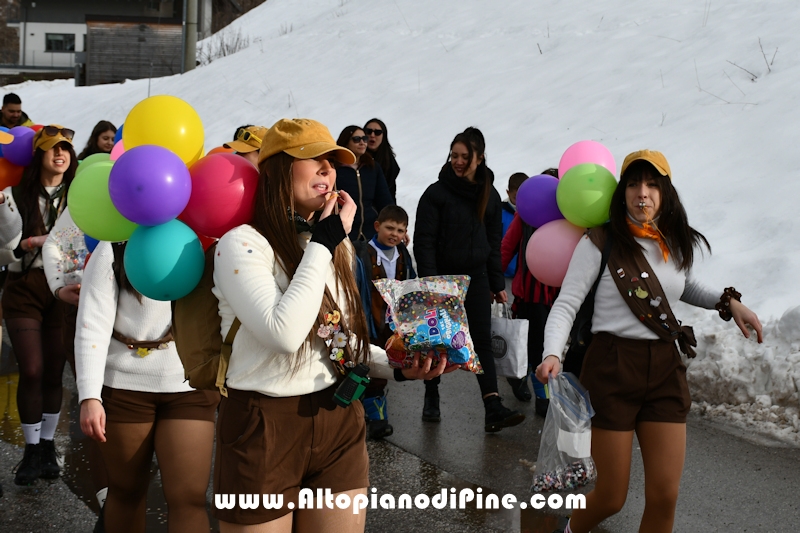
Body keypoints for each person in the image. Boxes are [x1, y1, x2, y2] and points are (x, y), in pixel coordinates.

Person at [211, 118, 455, 531]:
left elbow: (337, 337)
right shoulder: (243, 243)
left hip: (338, 417)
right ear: (277, 170)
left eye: (331, 160)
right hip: (264, 424)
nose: (327, 168)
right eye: (312, 158)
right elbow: (284, 334)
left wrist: (397, 366)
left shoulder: (332, 246)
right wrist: (325, 243)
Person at [536, 150, 763, 533]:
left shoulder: (670, 240)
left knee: (664, 495)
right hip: (613, 367)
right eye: (634, 184)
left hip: (664, 368)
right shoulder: (600, 242)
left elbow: (682, 285)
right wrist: (552, 353)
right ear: (622, 191)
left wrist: (729, 302)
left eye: (653, 185)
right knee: (610, 496)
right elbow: (567, 304)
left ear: (666, 192)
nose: (643, 193)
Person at [76, 241, 218, 533]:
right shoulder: (112, 246)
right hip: (124, 390)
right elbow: (92, 322)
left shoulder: (206, 240)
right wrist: (89, 396)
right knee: (125, 492)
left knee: (189, 499)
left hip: (190, 388)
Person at [414, 126, 525, 433]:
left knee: (481, 341)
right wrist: (431, 284)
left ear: (480, 158)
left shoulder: (487, 194)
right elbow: (423, 241)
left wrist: (495, 283)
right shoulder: (436, 194)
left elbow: (491, 240)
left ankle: (492, 406)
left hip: (475, 278)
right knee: (437, 341)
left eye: (465, 156)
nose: (458, 161)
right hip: (443, 280)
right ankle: (431, 395)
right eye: (454, 155)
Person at [0, 126, 77, 485]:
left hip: (61, 291)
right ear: (39, 156)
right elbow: (6, 253)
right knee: (31, 369)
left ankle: (47, 446)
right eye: (52, 148)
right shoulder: (12, 195)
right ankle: (30, 451)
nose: (60, 154)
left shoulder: (79, 196)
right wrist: (31, 242)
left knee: (52, 372)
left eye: (65, 148)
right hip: (24, 290)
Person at [355, 205, 416, 440]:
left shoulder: (403, 255)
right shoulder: (361, 253)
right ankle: (363, 414)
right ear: (377, 226)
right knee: (363, 364)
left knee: (385, 364)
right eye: (390, 228)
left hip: (392, 323)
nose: (395, 234)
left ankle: (378, 418)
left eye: (400, 230)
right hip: (368, 318)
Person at [501, 169, 560, 411]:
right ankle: (540, 393)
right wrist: (494, 282)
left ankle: (524, 377)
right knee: (534, 341)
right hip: (529, 292)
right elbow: (507, 246)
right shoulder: (526, 215)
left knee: (546, 339)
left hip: (557, 293)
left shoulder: (567, 218)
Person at [335, 125, 394, 242]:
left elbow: (384, 200)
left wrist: (395, 226)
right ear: (345, 142)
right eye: (356, 139)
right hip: (343, 233)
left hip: (370, 233)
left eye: (364, 139)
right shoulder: (334, 168)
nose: (362, 142)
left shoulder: (373, 167)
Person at [364, 118, 400, 201]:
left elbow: (390, 193)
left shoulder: (390, 163)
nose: (372, 135)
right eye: (369, 131)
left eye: (377, 132)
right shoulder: (355, 158)